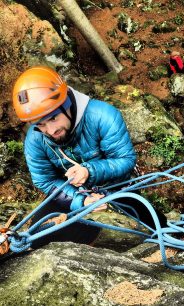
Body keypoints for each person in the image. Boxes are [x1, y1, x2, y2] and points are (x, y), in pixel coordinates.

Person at [12, 66, 167, 248]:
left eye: (54, 118)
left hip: (115, 184)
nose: (51, 131)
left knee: (148, 218)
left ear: (66, 104)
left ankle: (165, 232)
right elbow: (45, 181)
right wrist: (80, 200)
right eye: (41, 125)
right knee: (38, 234)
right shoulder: (35, 139)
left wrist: (89, 171)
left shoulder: (103, 116)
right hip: (73, 191)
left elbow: (125, 160)